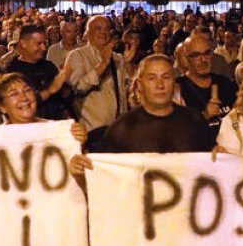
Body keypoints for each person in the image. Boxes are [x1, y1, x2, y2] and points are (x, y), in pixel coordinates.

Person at [70, 55, 212, 171]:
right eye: (152, 78)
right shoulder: (121, 129)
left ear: (174, 83)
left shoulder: (194, 120)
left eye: (166, 77)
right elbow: (101, 173)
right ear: (139, 85)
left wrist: (221, 157)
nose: (160, 85)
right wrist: (80, 162)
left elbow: (212, 166)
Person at [66, 16, 136, 132]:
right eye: (98, 28)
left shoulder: (117, 57)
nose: (103, 32)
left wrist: (128, 63)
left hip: (119, 129)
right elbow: (78, 88)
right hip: (93, 131)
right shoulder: (77, 56)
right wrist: (103, 64)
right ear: (87, 33)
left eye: (107, 28)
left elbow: (129, 89)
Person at [175, 34, 237, 137]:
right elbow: (176, 133)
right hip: (200, 151)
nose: (203, 60)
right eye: (196, 55)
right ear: (186, 58)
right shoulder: (177, 89)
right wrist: (204, 117)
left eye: (207, 53)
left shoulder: (224, 83)